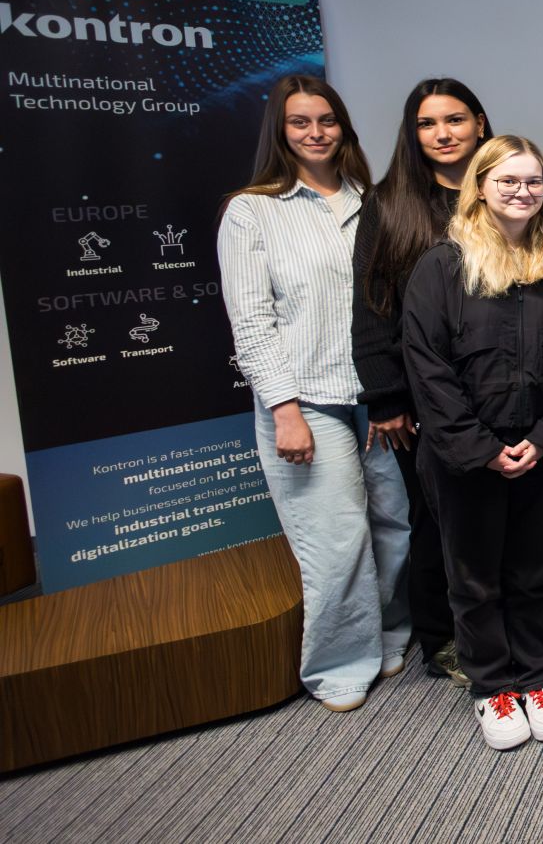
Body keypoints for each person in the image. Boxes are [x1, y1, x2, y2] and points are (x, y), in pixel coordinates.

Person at [218, 74, 411, 713]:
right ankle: (337, 664)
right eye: (300, 122)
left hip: (376, 398)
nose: (315, 132)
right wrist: (284, 411)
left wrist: (394, 394)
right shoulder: (252, 211)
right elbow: (252, 322)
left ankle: (389, 632)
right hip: (306, 401)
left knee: (395, 527)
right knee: (335, 541)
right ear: (280, 131)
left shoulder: (371, 201)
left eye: (326, 120)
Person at [402, 136, 543, 750]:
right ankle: (492, 686)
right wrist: (481, 447)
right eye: (508, 180)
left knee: (539, 571)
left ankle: (538, 677)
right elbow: (427, 370)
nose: (522, 192)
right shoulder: (443, 265)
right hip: (464, 458)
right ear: (481, 186)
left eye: (533, 181)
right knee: (474, 578)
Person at [353, 78, 491, 688]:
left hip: (497, 389)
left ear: (480, 124)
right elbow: (370, 306)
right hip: (423, 398)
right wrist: (386, 398)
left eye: (455, 120)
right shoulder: (390, 203)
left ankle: (498, 626)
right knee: (436, 521)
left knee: (494, 519)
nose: (443, 134)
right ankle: (442, 639)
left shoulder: (503, 187)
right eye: (428, 124)